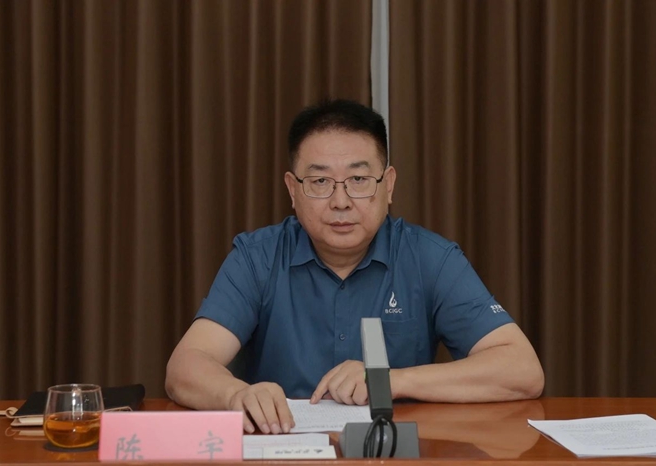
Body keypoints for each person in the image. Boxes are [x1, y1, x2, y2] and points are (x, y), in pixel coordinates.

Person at [165, 99, 544, 435]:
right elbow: (186, 365)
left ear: (388, 185)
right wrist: (237, 394)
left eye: (359, 179)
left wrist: (388, 381)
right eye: (320, 181)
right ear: (293, 190)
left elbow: (521, 370)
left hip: (392, 455)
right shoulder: (257, 258)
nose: (341, 201)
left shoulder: (430, 259)